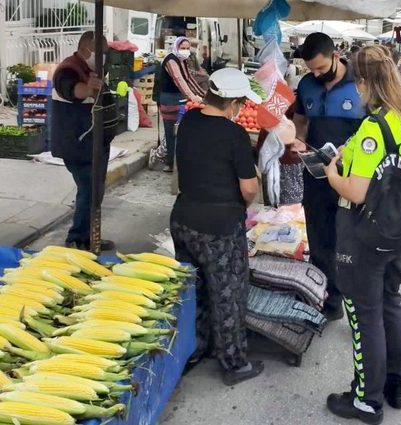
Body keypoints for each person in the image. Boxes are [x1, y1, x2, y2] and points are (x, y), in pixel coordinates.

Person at [323, 45, 401, 424]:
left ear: (366, 82)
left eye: (358, 83)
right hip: (399, 225)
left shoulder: (374, 127)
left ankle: (366, 400)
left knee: (363, 313)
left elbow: (356, 190)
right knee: (389, 302)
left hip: (363, 229)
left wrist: (333, 174)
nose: (357, 91)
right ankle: (396, 384)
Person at [170, 68, 264, 384]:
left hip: (183, 219)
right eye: (240, 104)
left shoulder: (187, 123)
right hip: (219, 227)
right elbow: (249, 188)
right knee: (228, 294)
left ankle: (195, 349)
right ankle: (234, 363)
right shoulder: (234, 134)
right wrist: (241, 207)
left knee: (193, 288)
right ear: (233, 103)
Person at [292, 32, 366, 321]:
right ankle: (328, 297)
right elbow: (300, 120)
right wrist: (297, 140)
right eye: (311, 69)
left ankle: (358, 301)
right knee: (319, 236)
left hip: (352, 178)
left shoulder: (360, 85)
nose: (316, 74)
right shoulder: (307, 84)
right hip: (316, 174)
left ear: (336, 55)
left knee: (349, 239)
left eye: (321, 68)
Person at [51, 31, 115, 252]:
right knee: (88, 189)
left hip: (95, 143)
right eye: (102, 52)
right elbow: (73, 90)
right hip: (77, 144)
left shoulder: (91, 68)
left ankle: (90, 236)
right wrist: (89, 88)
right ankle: (76, 237)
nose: (105, 57)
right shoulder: (68, 69)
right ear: (88, 49)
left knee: (96, 190)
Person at [158, 36, 206, 173]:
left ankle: (179, 162)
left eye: (187, 48)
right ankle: (170, 163)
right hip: (169, 99)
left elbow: (189, 79)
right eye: (182, 48)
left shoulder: (182, 60)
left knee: (181, 131)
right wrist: (192, 97)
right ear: (176, 47)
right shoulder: (171, 60)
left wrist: (202, 95)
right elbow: (179, 80)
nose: (185, 51)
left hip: (180, 98)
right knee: (171, 131)